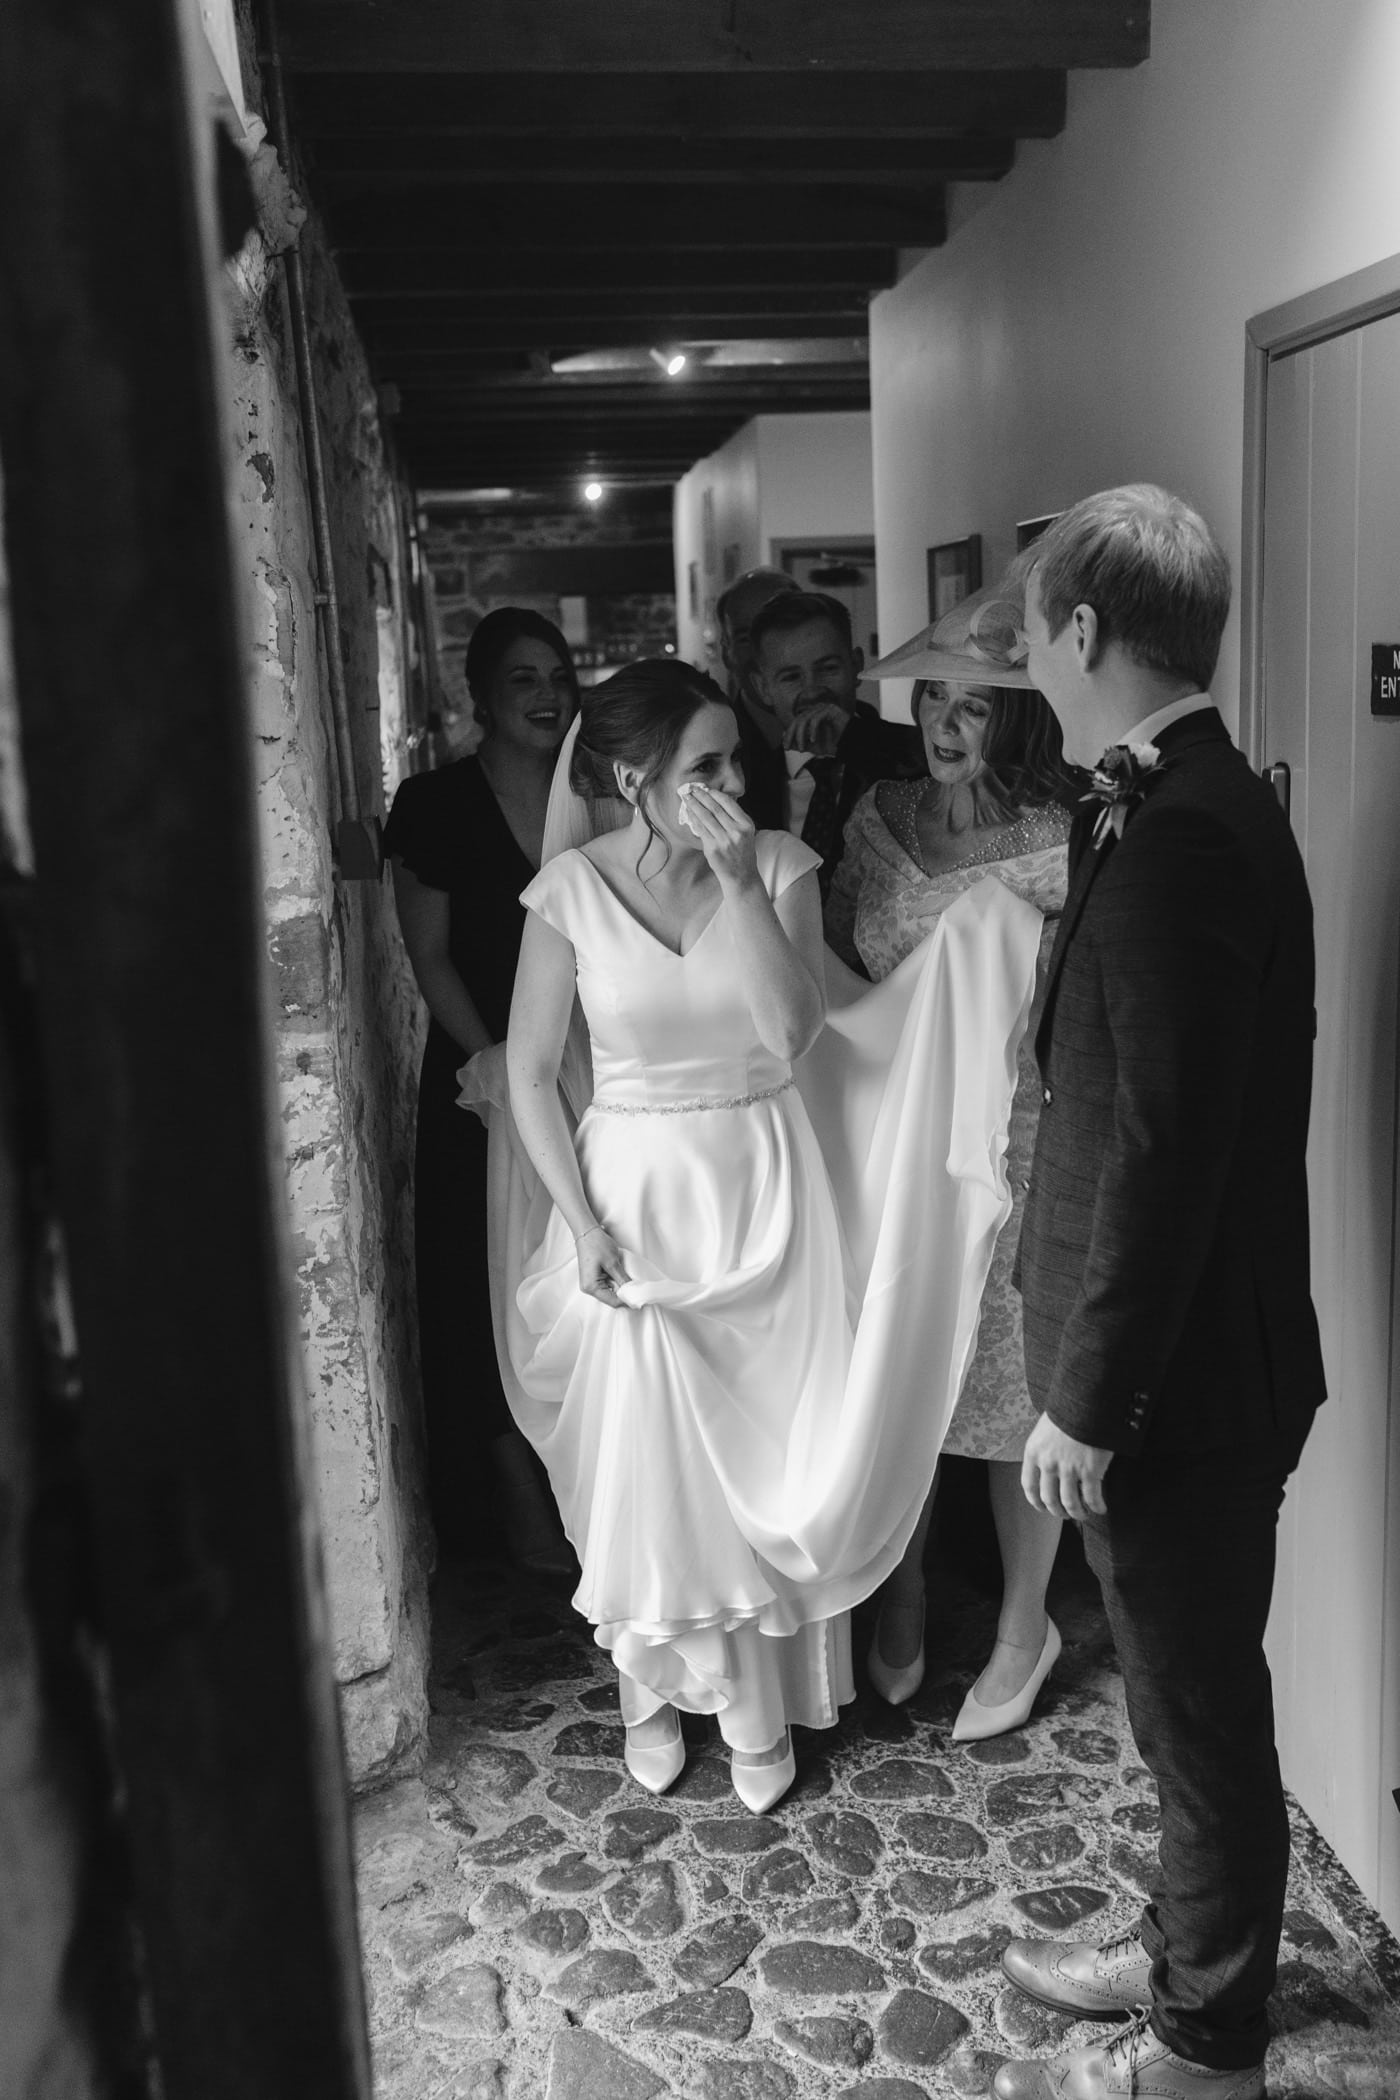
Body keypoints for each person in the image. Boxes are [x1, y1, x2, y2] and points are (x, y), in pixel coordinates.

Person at [479, 658, 1044, 1812]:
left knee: (759, 1459)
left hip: (761, 1186)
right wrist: (578, 1223)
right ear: (632, 781)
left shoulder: (780, 867)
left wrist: (740, 887)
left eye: (734, 759)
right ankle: (647, 1696)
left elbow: (794, 1036)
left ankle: (754, 1708)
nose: (735, 782)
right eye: (706, 766)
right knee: (647, 1458)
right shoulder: (569, 894)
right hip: (631, 1196)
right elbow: (531, 1075)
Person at [995, 487, 1325, 2100]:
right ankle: (1193, 1938)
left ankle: (1206, 2045)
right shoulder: (1167, 797)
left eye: (1027, 632)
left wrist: (1088, 1398)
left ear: (1082, 631)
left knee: (1198, 1711)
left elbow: (1166, 1151)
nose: (1019, 662)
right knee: (1179, 1702)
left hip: (1179, 1385)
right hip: (1179, 1371)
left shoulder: (1188, 829)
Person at [827, 569, 1076, 1738]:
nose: (941, 721)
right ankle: (902, 1587)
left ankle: (1026, 1623)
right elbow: (834, 975)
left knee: (1009, 1387)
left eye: (971, 705)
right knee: (899, 1366)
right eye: (931, 697)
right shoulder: (875, 821)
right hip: (887, 1140)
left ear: (1015, 719)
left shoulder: (1067, 840)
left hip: (1019, 1139)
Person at [385, 606, 579, 1569]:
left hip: (580, 1068)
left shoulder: (598, 792)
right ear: (481, 698)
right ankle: (512, 1490)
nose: (547, 695)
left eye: (559, 676)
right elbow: (430, 957)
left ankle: (581, 1476)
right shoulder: (434, 803)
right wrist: (497, 1064)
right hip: (477, 1072)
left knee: (567, 1269)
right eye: (523, 679)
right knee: (481, 1273)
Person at [750, 589, 924, 898]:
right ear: (763, 687)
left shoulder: (913, 752)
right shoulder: (747, 782)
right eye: (791, 677)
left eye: (828, 669)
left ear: (856, 665)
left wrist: (855, 740)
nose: (813, 690)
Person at [715, 565, 800, 831]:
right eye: (745, 638)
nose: (764, 651)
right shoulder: (712, 746)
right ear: (726, 652)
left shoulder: (859, 733)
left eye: (779, 630)